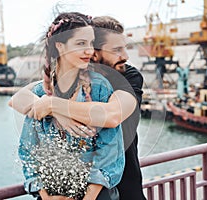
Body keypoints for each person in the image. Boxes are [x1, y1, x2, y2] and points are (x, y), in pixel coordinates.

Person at [9, 16, 146, 200]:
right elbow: (18, 99)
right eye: (117, 49)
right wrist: (56, 111)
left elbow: (112, 115)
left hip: (123, 190)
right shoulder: (67, 79)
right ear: (95, 54)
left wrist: (52, 105)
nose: (125, 56)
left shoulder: (128, 76)